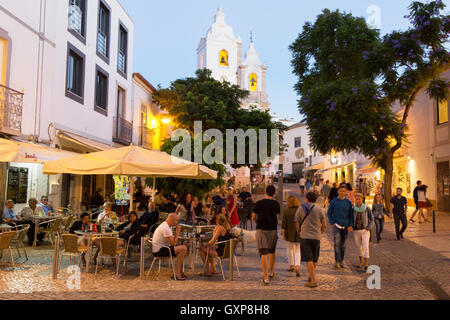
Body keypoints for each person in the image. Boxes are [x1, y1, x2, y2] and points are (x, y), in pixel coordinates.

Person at [295, 192, 326, 288]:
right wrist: (320, 232)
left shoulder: (301, 208)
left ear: (307, 198)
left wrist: (299, 231)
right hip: (316, 237)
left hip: (305, 237)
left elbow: (296, 221)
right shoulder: (319, 210)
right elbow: (324, 225)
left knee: (309, 258)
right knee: (314, 258)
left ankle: (313, 281)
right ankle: (311, 275)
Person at [252, 185, 280, 285]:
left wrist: (258, 222)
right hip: (273, 230)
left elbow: (253, 216)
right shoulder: (276, 204)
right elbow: (277, 216)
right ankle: (272, 272)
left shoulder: (259, 203)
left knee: (263, 253)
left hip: (261, 229)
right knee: (272, 251)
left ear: (265, 192)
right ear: (274, 193)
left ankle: (266, 277)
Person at [152, 213, 188, 280]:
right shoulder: (165, 228)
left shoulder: (167, 226)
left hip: (163, 247)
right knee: (184, 248)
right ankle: (177, 273)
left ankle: (179, 271)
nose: (177, 222)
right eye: (176, 221)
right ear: (172, 220)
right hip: (159, 251)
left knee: (184, 247)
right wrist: (177, 232)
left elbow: (172, 240)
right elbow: (173, 244)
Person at [327, 185, 354, 269]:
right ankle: (337, 261)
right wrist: (332, 222)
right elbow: (329, 213)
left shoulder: (348, 203)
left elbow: (351, 215)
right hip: (336, 226)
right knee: (337, 244)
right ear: (338, 191)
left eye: (344, 191)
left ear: (346, 192)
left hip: (345, 226)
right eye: (341, 191)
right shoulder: (334, 201)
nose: (342, 192)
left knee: (343, 245)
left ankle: (341, 261)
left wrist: (350, 225)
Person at [353, 193, 373, 271]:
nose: (358, 200)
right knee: (359, 247)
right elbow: (351, 219)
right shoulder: (353, 208)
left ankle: (366, 264)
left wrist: (369, 227)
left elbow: (372, 219)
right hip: (356, 230)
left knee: (365, 246)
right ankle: (361, 262)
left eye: (359, 198)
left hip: (365, 230)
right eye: (356, 198)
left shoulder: (366, 208)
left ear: (362, 199)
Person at [281, 195, 301, 277]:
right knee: (297, 250)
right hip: (299, 233)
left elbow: (283, 224)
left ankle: (291, 265)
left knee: (290, 249)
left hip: (289, 233)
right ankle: (297, 267)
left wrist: (283, 234)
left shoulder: (286, 211)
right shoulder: (300, 211)